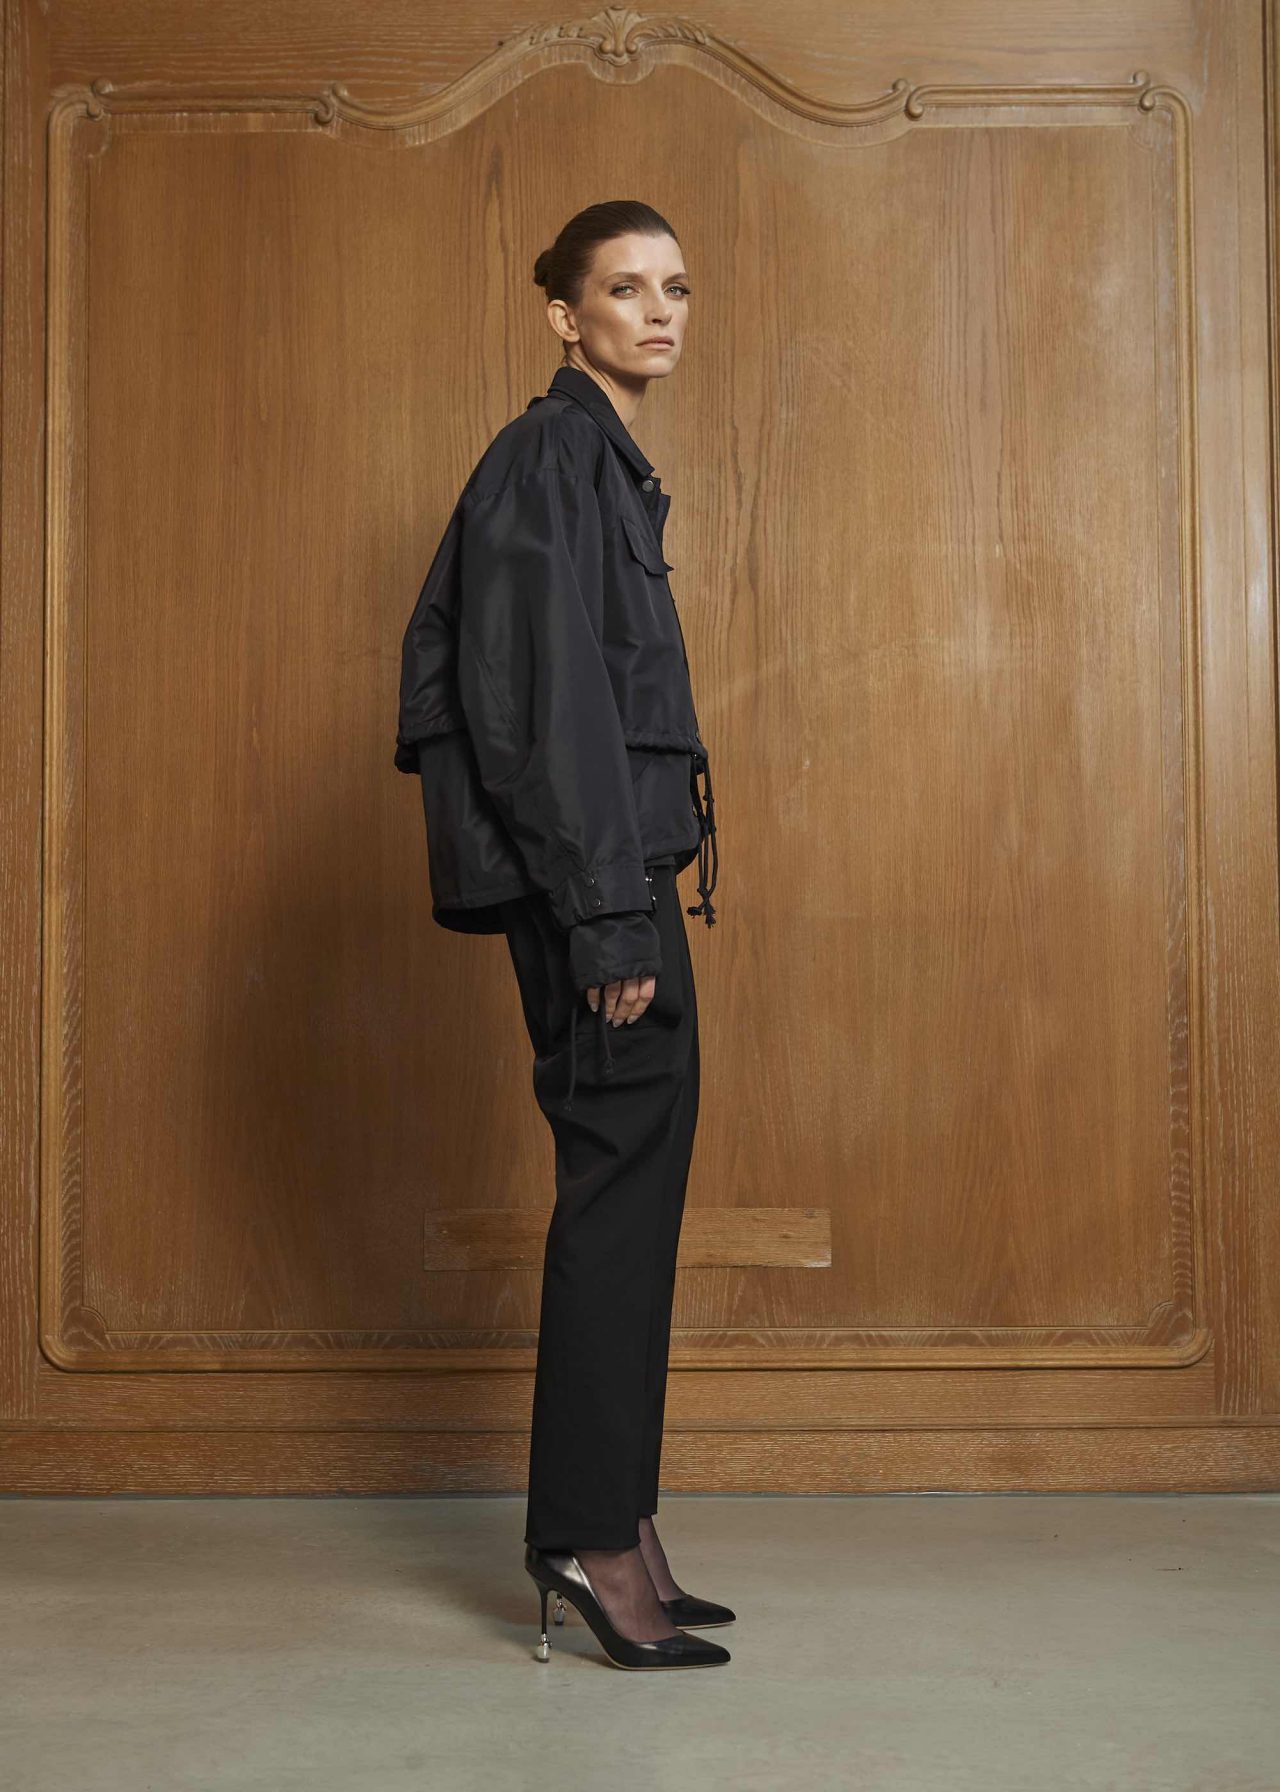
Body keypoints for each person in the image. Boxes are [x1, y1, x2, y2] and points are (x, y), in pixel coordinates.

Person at [394, 200, 729, 1670]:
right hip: (599, 887)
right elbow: (544, 707)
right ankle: (589, 1540)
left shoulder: (602, 464)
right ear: (563, 315)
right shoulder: (548, 457)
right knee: (614, 1191)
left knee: (636, 1193)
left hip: (622, 872)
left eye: (675, 288)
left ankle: (623, 1519)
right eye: (625, 287)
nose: (658, 312)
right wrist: (606, 918)